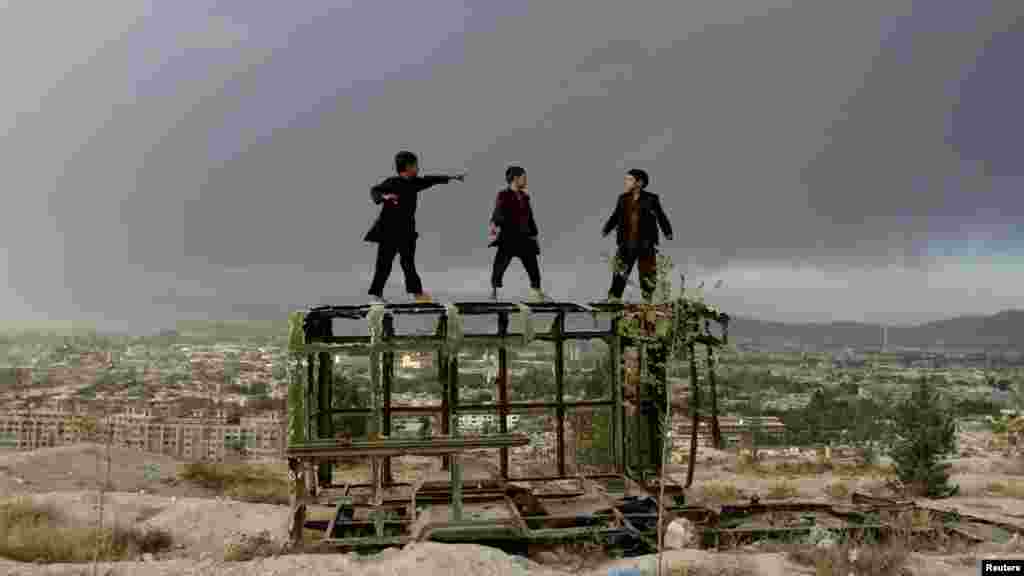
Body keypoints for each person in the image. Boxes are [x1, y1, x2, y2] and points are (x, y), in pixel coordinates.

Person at [364, 150, 465, 304]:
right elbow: (375, 191)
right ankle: (376, 295)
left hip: (407, 232)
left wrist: (451, 177)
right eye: (416, 165)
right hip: (389, 232)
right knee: (384, 264)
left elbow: (430, 180)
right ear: (408, 166)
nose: (418, 168)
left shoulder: (415, 183)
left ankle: (418, 293)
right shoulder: (392, 182)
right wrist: (385, 196)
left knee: (408, 264)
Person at [601, 168, 673, 302]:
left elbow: (660, 216)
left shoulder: (651, 198)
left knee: (647, 274)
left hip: (645, 243)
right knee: (619, 272)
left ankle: (647, 300)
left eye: (629, 180)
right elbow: (616, 215)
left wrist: (667, 231)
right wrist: (607, 228)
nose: (626, 183)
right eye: (626, 180)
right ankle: (613, 299)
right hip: (625, 243)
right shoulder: (622, 198)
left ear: (639, 183)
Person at [488, 165, 545, 302]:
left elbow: (530, 217)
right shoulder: (503, 195)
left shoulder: (525, 197)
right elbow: (498, 210)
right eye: (523, 178)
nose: (525, 181)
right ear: (515, 179)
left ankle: (537, 292)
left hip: (525, 238)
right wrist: (494, 224)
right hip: (509, 237)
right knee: (499, 266)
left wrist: (534, 234)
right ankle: (494, 293)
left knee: (533, 268)